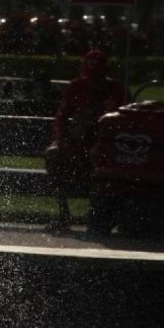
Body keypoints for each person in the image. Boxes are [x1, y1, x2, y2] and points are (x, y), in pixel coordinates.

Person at [44, 49, 128, 231]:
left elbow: (126, 123)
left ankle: (100, 215)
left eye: (97, 73)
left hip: (106, 145)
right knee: (53, 155)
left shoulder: (116, 90)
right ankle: (64, 213)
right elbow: (62, 116)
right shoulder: (77, 86)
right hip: (77, 142)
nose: (93, 79)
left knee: (103, 164)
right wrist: (60, 139)